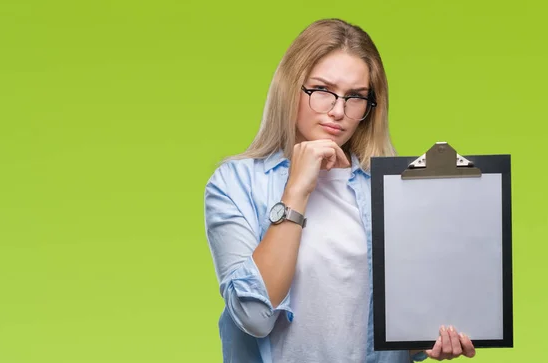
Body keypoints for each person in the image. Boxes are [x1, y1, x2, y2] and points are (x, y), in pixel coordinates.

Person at [203, 18, 477, 363]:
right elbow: (254, 318)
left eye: (356, 97)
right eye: (322, 90)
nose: (338, 111)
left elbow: (394, 324)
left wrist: (426, 339)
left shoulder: (392, 190)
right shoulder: (235, 184)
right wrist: (297, 191)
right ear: (291, 87)